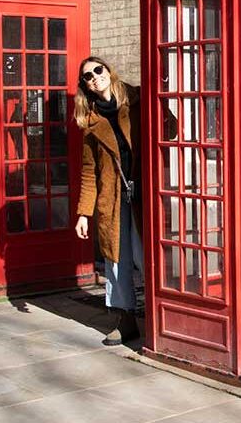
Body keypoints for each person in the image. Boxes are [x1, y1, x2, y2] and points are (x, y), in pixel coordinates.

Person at [73, 56, 143, 346]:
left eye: (98, 70)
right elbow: (89, 173)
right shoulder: (89, 122)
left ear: (109, 71)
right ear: (85, 86)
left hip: (144, 193)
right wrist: (82, 214)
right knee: (116, 259)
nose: (94, 78)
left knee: (145, 256)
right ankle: (124, 319)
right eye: (87, 77)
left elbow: (172, 130)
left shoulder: (138, 101)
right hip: (112, 199)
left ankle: (164, 315)